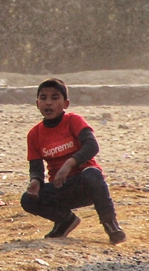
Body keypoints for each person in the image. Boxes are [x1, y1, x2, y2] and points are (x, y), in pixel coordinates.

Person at [19, 80, 126, 244]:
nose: (48, 102)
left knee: (92, 173)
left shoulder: (73, 121)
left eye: (55, 98)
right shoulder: (34, 134)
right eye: (43, 98)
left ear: (65, 104)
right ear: (37, 103)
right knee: (27, 199)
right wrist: (35, 181)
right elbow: (36, 167)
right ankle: (65, 220)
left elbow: (92, 146)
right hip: (60, 187)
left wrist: (70, 163)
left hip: (86, 185)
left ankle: (110, 224)